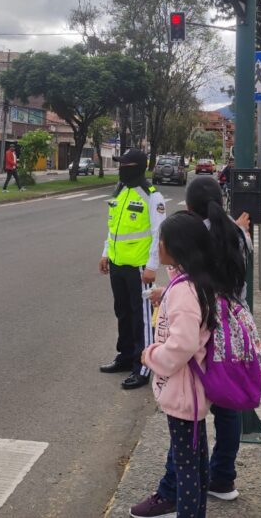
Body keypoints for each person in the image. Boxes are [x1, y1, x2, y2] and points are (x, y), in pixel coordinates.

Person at [142, 177, 250, 513]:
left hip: (203, 347)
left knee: (187, 441)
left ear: (189, 208)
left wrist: (153, 355)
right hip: (229, 336)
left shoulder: (196, 243)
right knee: (222, 413)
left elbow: (186, 335)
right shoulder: (236, 232)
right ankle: (222, 477)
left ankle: (171, 492)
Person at [131, 211, 235, 518]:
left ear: (177, 247)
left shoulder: (184, 291)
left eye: (161, 240)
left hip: (182, 393)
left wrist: (151, 356)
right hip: (190, 392)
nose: (158, 245)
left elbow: (183, 344)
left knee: (187, 468)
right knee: (195, 462)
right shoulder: (193, 283)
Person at [98, 148, 166, 390]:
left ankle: (143, 366)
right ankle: (125, 356)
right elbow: (113, 227)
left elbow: (159, 233)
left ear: (137, 168)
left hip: (139, 266)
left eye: (125, 166)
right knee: (123, 312)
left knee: (142, 318)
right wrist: (106, 252)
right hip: (118, 263)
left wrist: (152, 266)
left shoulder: (152, 196)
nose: (121, 169)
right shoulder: (120, 191)